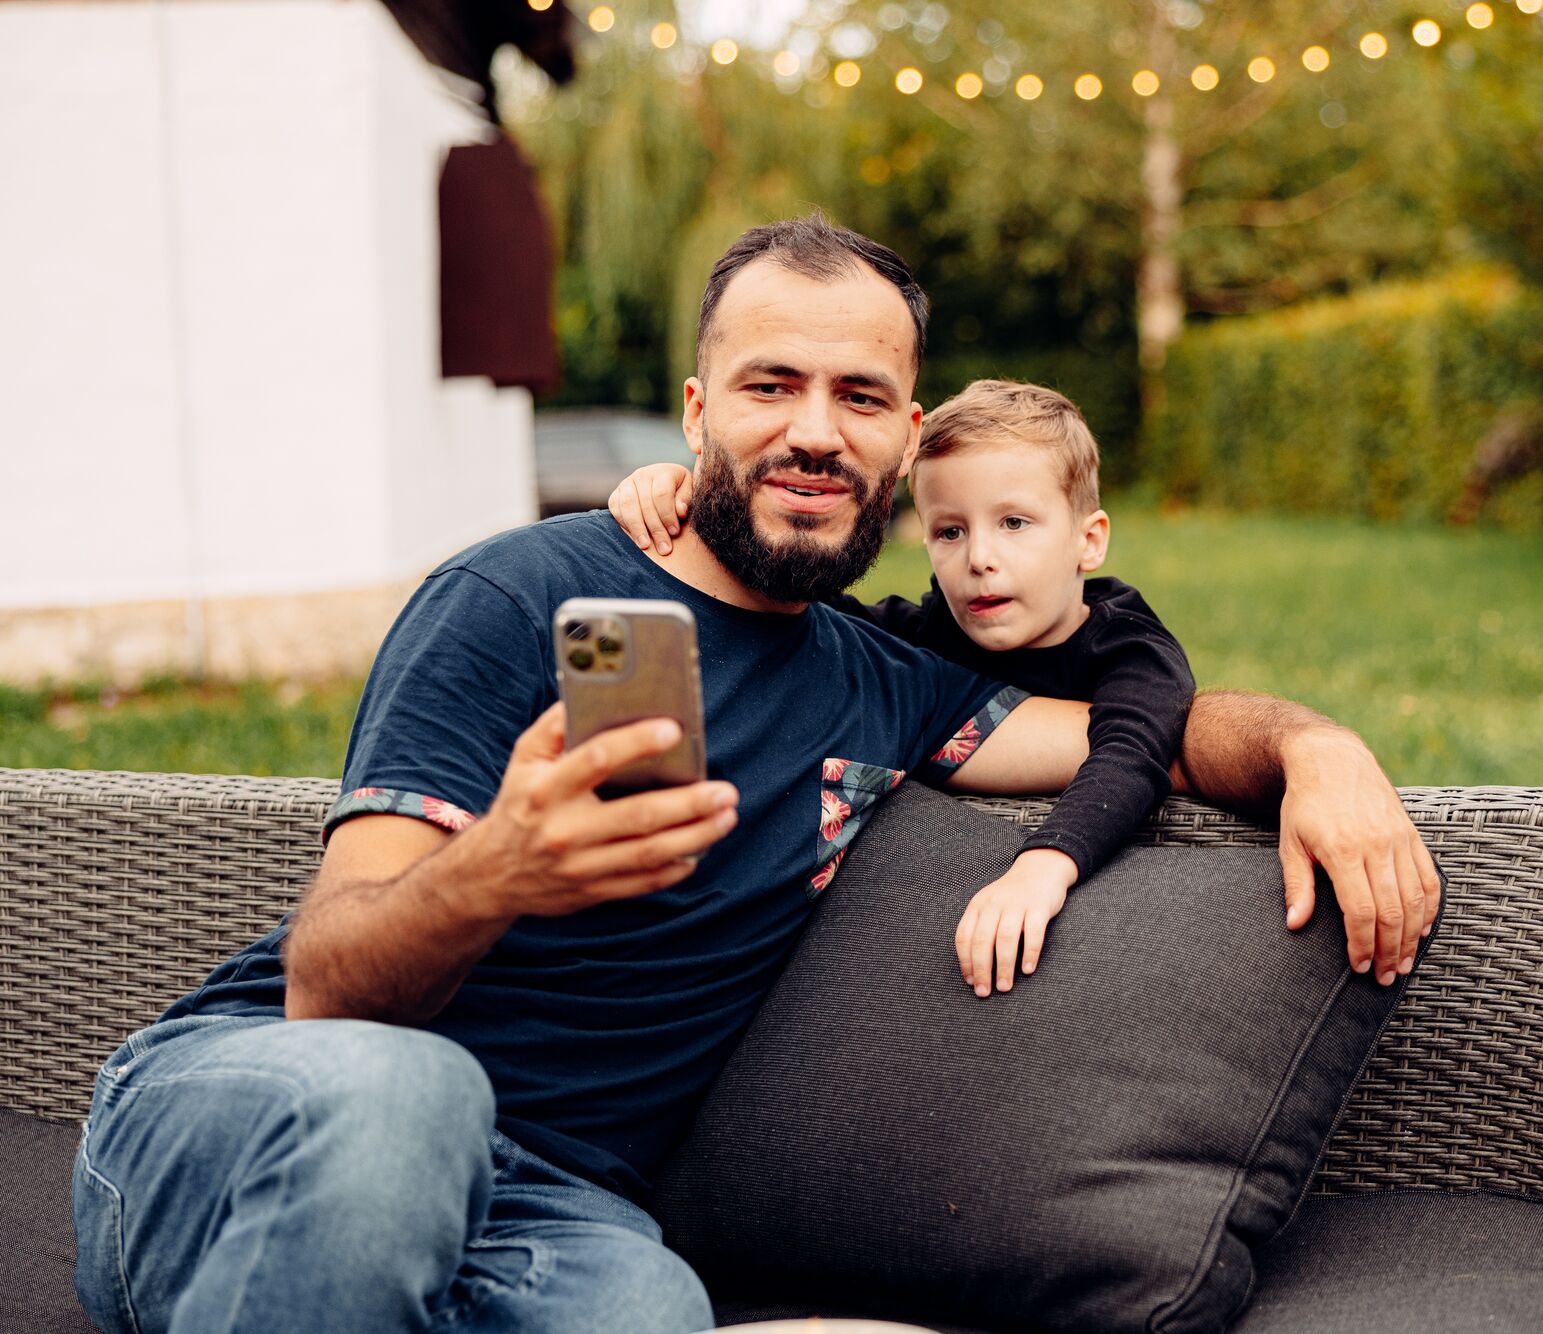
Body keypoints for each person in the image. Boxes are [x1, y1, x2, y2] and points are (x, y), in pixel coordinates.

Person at [71, 215, 1442, 1334]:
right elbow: (328, 989)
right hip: (268, 1114)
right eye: (769, 385)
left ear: (907, 440)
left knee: (650, 1311)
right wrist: (502, 868)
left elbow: (1161, 727)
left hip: (552, 1209)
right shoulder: (514, 596)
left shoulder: (888, 682)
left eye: (859, 396)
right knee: (412, 1099)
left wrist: (1317, 749)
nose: (814, 431)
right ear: (697, 413)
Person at [608, 379, 1195, 998]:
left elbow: (1133, 750)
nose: (979, 558)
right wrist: (687, 500)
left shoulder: (1131, 649)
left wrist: (1044, 866)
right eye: (949, 532)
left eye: (1014, 522)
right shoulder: (927, 632)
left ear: (1089, 539)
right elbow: (803, 610)